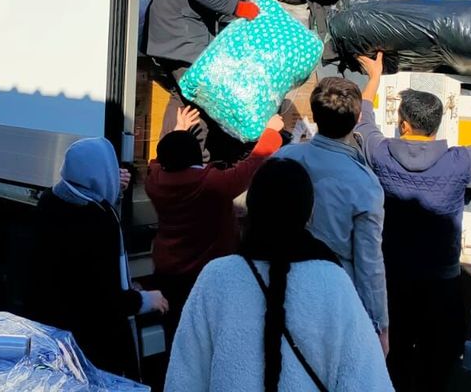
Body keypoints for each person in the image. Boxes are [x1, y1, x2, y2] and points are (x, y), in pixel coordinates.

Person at [353, 51, 471, 392]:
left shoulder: (381, 153)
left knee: (393, 359)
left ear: (403, 124)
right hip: (441, 283)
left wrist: (374, 78)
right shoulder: (459, 161)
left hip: (392, 280)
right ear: (437, 124)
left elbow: (362, 122)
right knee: (437, 363)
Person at [165, 158, 394, 392]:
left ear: (250, 208)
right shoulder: (334, 282)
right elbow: (368, 382)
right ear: (309, 213)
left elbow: (183, 380)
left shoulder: (216, 278)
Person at [26, 137, 168, 379]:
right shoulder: (99, 220)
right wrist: (143, 300)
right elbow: (102, 299)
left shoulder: (51, 199)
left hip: (55, 333)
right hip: (93, 345)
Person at [146, 108, 285, 347]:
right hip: (208, 273)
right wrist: (271, 131)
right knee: (210, 336)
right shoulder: (212, 184)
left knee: (176, 334)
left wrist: (178, 131)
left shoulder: (154, 181)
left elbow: (157, 162)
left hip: (168, 273)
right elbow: (252, 164)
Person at [276, 76, 389, 353]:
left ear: (314, 116)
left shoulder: (283, 158)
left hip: (277, 282)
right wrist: (378, 324)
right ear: (358, 118)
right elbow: (369, 263)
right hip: (332, 296)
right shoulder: (365, 182)